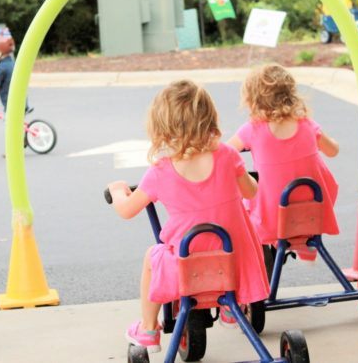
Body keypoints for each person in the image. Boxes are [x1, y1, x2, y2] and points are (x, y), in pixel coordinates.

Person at [107, 80, 269, 353]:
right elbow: (252, 192)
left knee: (153, 256)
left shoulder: (160, 171)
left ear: (161, 126)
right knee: (237, 236)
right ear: (209, 117)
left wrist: (117, 191)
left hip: (186, 267)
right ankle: (233, 306)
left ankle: (148, 329)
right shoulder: (227, 155)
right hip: (232, 263)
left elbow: (127, 210)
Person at [227, 64, 340, 262]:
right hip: (313, 212)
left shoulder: (252, 130)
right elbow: (333, 151)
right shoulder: (307, 125)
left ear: (253, 100)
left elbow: (226, 154)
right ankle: (304, 243)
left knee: (247, 195)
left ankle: (273, 246)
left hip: (273, 219)